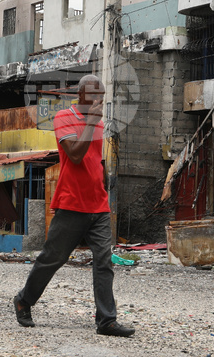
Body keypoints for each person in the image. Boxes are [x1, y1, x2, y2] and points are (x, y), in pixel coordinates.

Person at [13, 74, 134, 337]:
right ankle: (24, 300)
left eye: (101, 96)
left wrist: (103, 181)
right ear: (80, 95)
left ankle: (106, 320)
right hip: (71, 203)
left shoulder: (98, 124)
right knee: (52, 259)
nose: (99, 101)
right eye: (94, 96)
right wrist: (90, 123)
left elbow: (95, 159)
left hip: (98, 205)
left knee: (104, 262)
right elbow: (76, 155)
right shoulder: (63, 118)